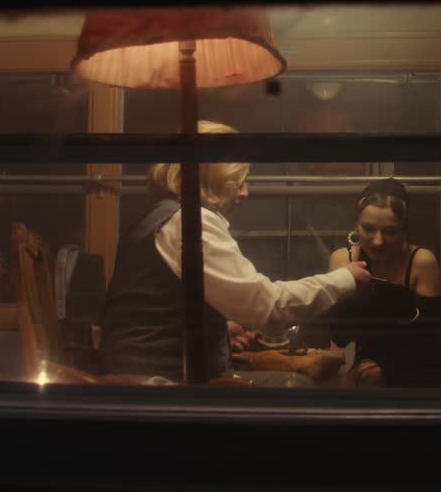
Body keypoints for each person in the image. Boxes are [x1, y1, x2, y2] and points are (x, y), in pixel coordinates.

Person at [97, 120, 371, 383]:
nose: (245, 193)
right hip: (158, 385)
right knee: (297, 389)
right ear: (214, 180)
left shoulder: (161, 215)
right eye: (238, 182)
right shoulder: (190, 222)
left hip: (137, 373)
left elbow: (159, 314)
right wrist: (344, 279)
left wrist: (221, 333)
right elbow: (270, 307)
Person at [327, 178, 441, 387]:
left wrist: (382, 369)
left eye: (390, 231)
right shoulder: (342, 259)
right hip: (369, 366)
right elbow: (339, 335)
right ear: (356, 225)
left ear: (404, 230)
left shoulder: (422, 261)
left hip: (423, 371)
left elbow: (429, 341)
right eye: (368, 228)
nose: (378, 241)